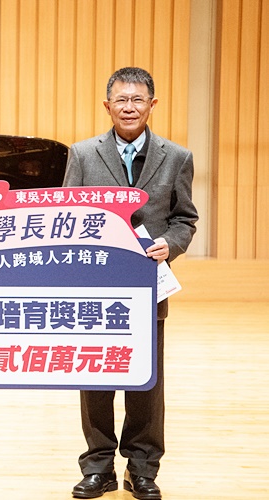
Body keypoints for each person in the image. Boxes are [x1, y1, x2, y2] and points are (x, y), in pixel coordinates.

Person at [63, 67, 198, 500]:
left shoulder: (177, 157)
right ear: (107, 106)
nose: (129, 107)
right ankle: (98, 467)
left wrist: (169, 244)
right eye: (121, 100)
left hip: (148, 286)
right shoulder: (83, 154)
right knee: (95, 378)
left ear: (152, 105)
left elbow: (184, 219)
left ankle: (142, 469)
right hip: (96, 286)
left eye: (137, 99)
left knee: (146, 383)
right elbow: (67, 219)